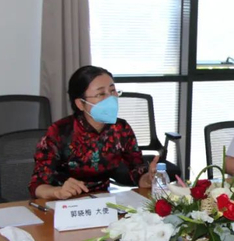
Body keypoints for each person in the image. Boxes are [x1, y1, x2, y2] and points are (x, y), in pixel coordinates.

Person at [29, 66, 157, 200]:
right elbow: (37, 185)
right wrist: (57, 191)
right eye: (101, 94)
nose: (111, 98)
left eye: (112, 91)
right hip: (63, 202)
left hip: (103, 201)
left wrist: (148, 178)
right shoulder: (59, 132)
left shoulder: (120, 128)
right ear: (80, 103)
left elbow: (136, 172)